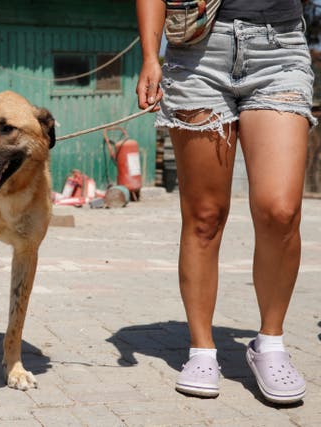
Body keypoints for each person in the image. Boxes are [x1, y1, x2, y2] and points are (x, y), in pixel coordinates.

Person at [136, 0, 315, 404]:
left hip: (280, 49)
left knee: (280, 210)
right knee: (204, 216)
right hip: (199, 50)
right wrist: (150, 56)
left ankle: (269, 344)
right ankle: (202, 350)